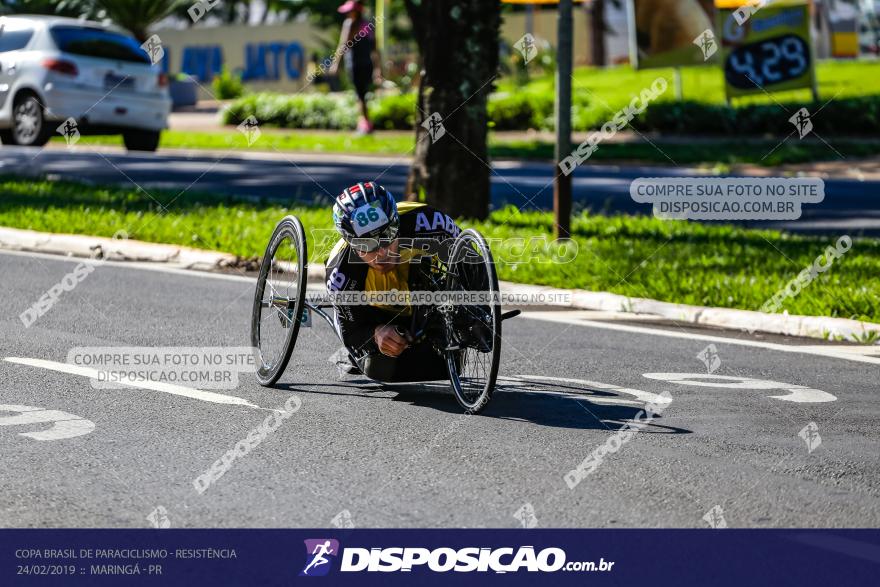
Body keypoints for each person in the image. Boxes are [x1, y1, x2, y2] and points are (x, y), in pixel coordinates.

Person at [325, 182, 473, 382]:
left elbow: (472, 259)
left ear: (396, 224)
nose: (381, 253)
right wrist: (375, 334)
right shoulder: (340, 273)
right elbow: (352, 333)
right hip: (375, 316)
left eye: (386, 237)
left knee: (448, 361)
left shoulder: (425, 221)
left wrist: (476, 311)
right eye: (366, 245)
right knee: (379, 370)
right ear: (351, 243)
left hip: (422, 303)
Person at [330, 0, 382, 134]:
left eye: (349, 11)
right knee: (362, 94)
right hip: (365, 64)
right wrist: (377, 69)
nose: (347, 14)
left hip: (356, 65)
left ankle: (364, 124)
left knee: (360, 95)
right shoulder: (368, 25)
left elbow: (343, 45)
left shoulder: (350, 25)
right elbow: (375, 50)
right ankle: (365, 123)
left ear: (356, 11)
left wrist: (336, 64)